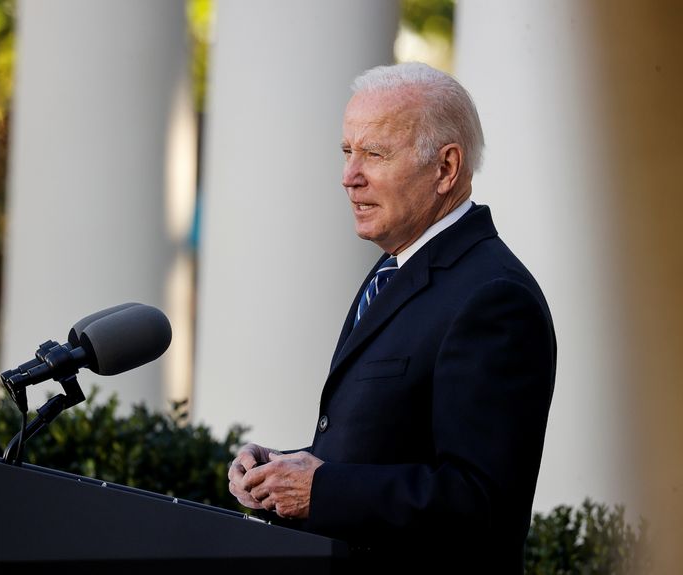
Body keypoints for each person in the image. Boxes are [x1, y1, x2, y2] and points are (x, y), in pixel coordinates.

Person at [227, 62, 556, 572]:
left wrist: (321, 489)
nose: (348, 177)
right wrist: (281, 471)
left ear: (445, 168)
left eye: (374, 154)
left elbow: (478, 502)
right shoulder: (394, 267)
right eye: (346, 152)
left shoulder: (493, 297)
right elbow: (384, 447)